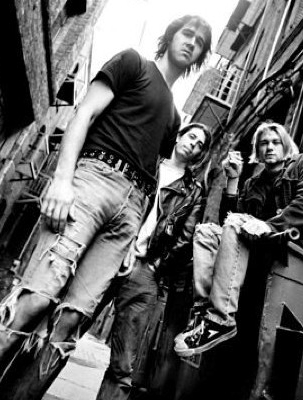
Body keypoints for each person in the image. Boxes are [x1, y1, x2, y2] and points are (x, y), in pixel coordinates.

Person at [0, 15, 212, 400]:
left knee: (70, 323)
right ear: (172, 35)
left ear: (200, 55)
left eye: (200, 42)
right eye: (188, 33)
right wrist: (62, 179)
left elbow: (153, 173)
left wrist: (133, 237)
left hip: (130, 211)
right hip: (93, 180)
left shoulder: (173, 117)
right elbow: (83, 114)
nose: (191, 42)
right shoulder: (133, 62)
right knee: (39, 295)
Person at [174, 121, 303, 357]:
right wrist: (233, 181)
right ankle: (202, 314)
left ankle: (221, 320)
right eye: (263, 143)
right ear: (257, 151)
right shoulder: (253, 184)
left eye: (276, 142)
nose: (269, 147)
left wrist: (269, 225)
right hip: (261, 250)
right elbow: (229, 225)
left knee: (236, 223)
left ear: (286, 145)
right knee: (205, 232)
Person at [96, 122, 211, 400]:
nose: (193, 145)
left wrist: (156, 265)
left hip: (145, 270)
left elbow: (185, 238)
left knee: (124, 362)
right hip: (111, 250)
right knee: (67, 323)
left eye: (200, 145)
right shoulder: (147, 162)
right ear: (179, 136)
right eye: (191, 137)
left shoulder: (195, 191)